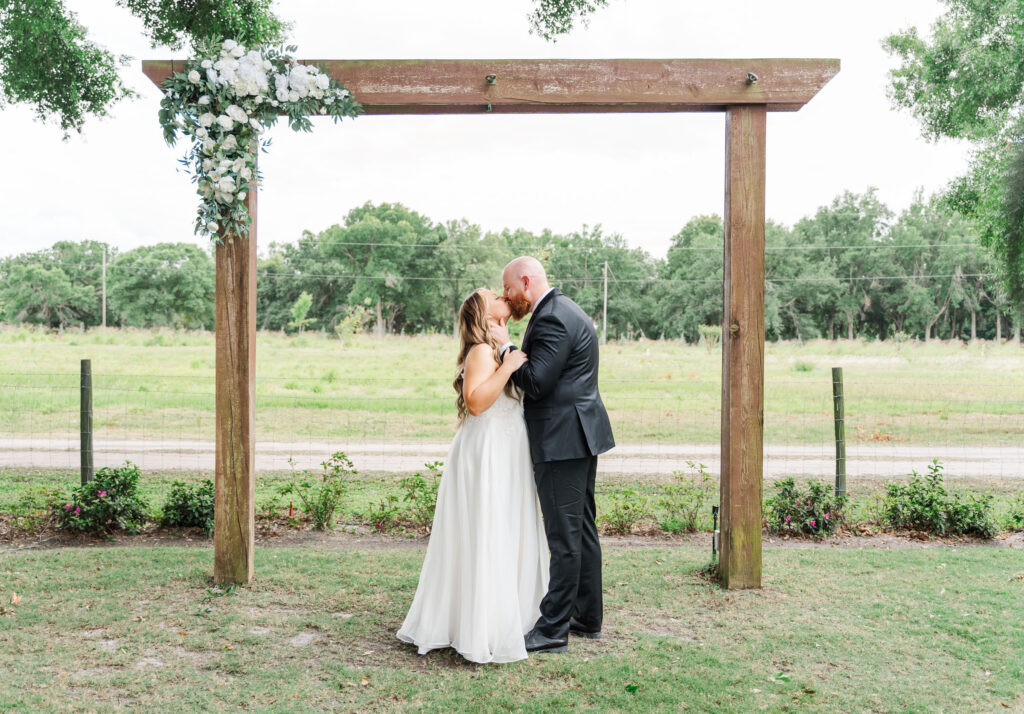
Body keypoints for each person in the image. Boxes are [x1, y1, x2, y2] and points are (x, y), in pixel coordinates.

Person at [397, 288, 549, 664]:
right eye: (495, 295)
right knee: (488, 529)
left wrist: (509, 355)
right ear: (484, 312)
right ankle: (481, 626)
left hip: (508, 450)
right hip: (488, 453)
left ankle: (506, 616)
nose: (503, 296)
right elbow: (477, 403)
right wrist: (510, 367)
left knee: (505, 529)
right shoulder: (482, 352)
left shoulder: (496, 348)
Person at [492, 256, 615, 654]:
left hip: (562, 439)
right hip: (577, 435)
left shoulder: (551, 318)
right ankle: (587, 616)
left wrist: (506, 348)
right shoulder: (562, 309)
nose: (508, 296)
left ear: (526, 281)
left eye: (509, 288)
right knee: (580, 529)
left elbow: (536, 382)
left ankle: (553, 629)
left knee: (563, 536)